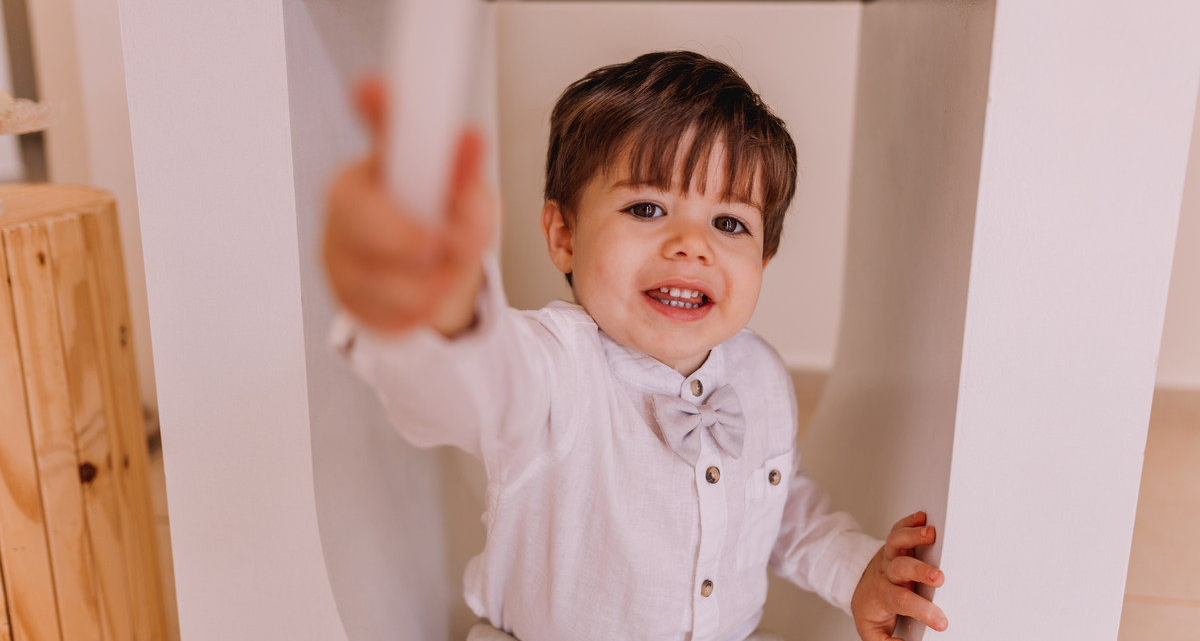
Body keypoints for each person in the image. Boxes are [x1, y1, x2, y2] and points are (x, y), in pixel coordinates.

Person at [323, 51, 948, 641]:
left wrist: (856, 569)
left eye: (729, 223)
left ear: (765, 256)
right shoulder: (554, 367)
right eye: (647, 208)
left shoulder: (759, 375)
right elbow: (468, 386)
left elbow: (778, 512)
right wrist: (447, 307)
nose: (690, 244)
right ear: (564, 235)